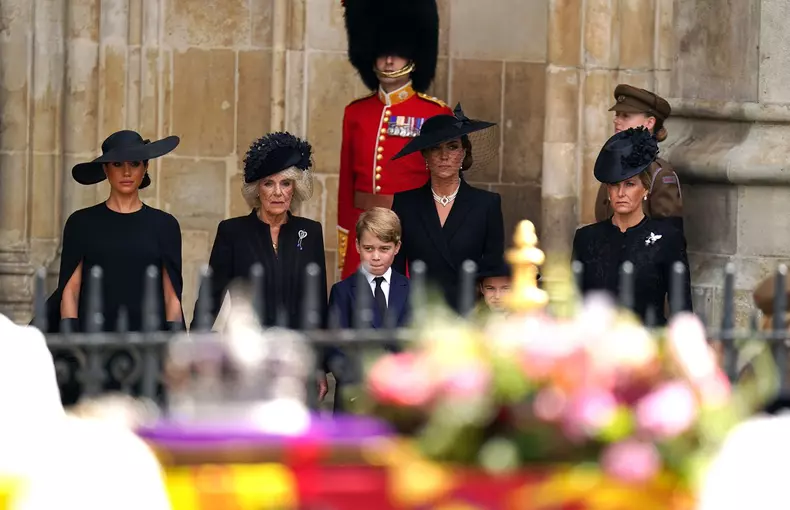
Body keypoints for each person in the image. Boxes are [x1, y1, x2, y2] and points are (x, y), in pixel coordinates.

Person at [190, 132, 329, 399]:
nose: (278, 192)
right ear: (257, 189)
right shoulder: (232, 231)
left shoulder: (310, 232)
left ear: (295, 188)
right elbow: (210, 297)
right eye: (269, 184)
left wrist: (320, 364)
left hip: (296, 360)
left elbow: (317, 303)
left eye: (286, 183)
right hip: (247, 357)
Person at [336, 0, 453, 280]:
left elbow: (445, 185)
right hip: (363, 231)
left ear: (413, 57)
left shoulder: (434, 113)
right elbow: (346, 184)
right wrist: (346, 235)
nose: (389, 61)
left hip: (410, 233)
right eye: (383, 53)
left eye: (398, 53)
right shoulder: (356, 113)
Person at [42, 130, 184, 333]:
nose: (127, 172)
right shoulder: (81, 223)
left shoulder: (165, 225)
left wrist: (174, 349)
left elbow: (171, 296)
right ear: (106, 169)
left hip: (148, 345)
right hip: (92, 344)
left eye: (134, 163)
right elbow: (69, 292)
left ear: (145, 167)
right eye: (117, 164)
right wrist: (72, 342)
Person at [391, 103, 505, 312]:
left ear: (463, 153)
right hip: (419, 316)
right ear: (425, 155)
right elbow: (396, 272)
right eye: (435, 147)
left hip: (468, 318)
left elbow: (493, 270)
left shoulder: (487, 204)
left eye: (452, 146)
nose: (444, 156)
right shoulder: (405, 204)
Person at [573, 127, 692, 326]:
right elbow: (575, 305)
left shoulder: (668, 239)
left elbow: (682, 311)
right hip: (599, 348)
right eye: (614, 185)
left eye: (629, 184)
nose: (621, 193)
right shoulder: (586, 239)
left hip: (648, 347)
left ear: (645, 188)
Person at [328, 207, 410, 412]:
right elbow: (336, 347)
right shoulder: (342, 291)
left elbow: (417, 344)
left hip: (401, 400)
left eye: (384, 249)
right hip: (355, 399)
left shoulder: (412, 290)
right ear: (357, 246)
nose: (375, 256)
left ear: (397, 247)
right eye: (369, 248)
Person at [594, 84, 684, 232]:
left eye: (626, 116)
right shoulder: (612, 166)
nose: (617, 120)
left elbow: (668, 238)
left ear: (649, 123)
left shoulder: (660, 174)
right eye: (617, 114)